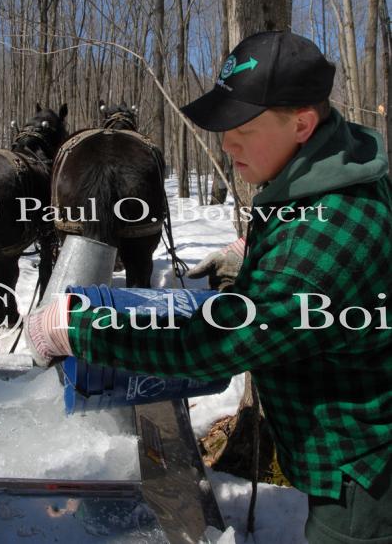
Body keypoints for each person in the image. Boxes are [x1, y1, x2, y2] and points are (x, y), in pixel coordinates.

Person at [26, 30, 392, 543]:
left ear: (302, 124)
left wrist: (80, 329)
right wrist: (256, 251)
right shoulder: (342, 167)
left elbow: (210, 345)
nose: (226, 143)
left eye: (241, 126)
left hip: (360, 470)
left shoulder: (317, 243)